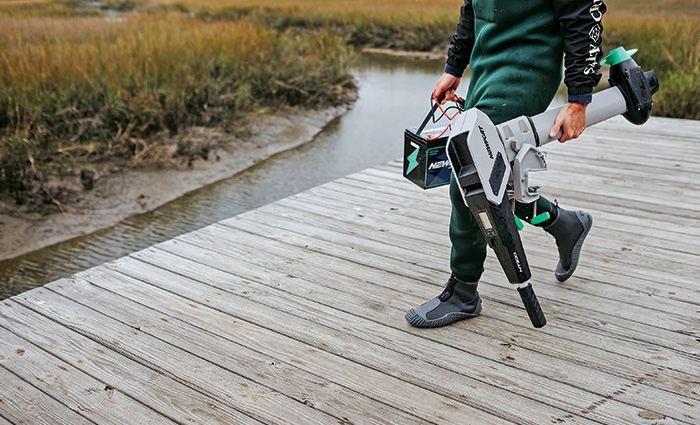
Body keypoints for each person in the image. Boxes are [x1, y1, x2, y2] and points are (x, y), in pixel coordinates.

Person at [405, 0, 606, 328]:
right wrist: (454, 68)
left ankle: (463, 292)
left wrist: (579, 97)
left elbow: (584, 13)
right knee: (495, 179)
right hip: (485, 72)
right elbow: (471, 8)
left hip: (526, 72)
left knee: (470, 179)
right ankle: (564, 224)